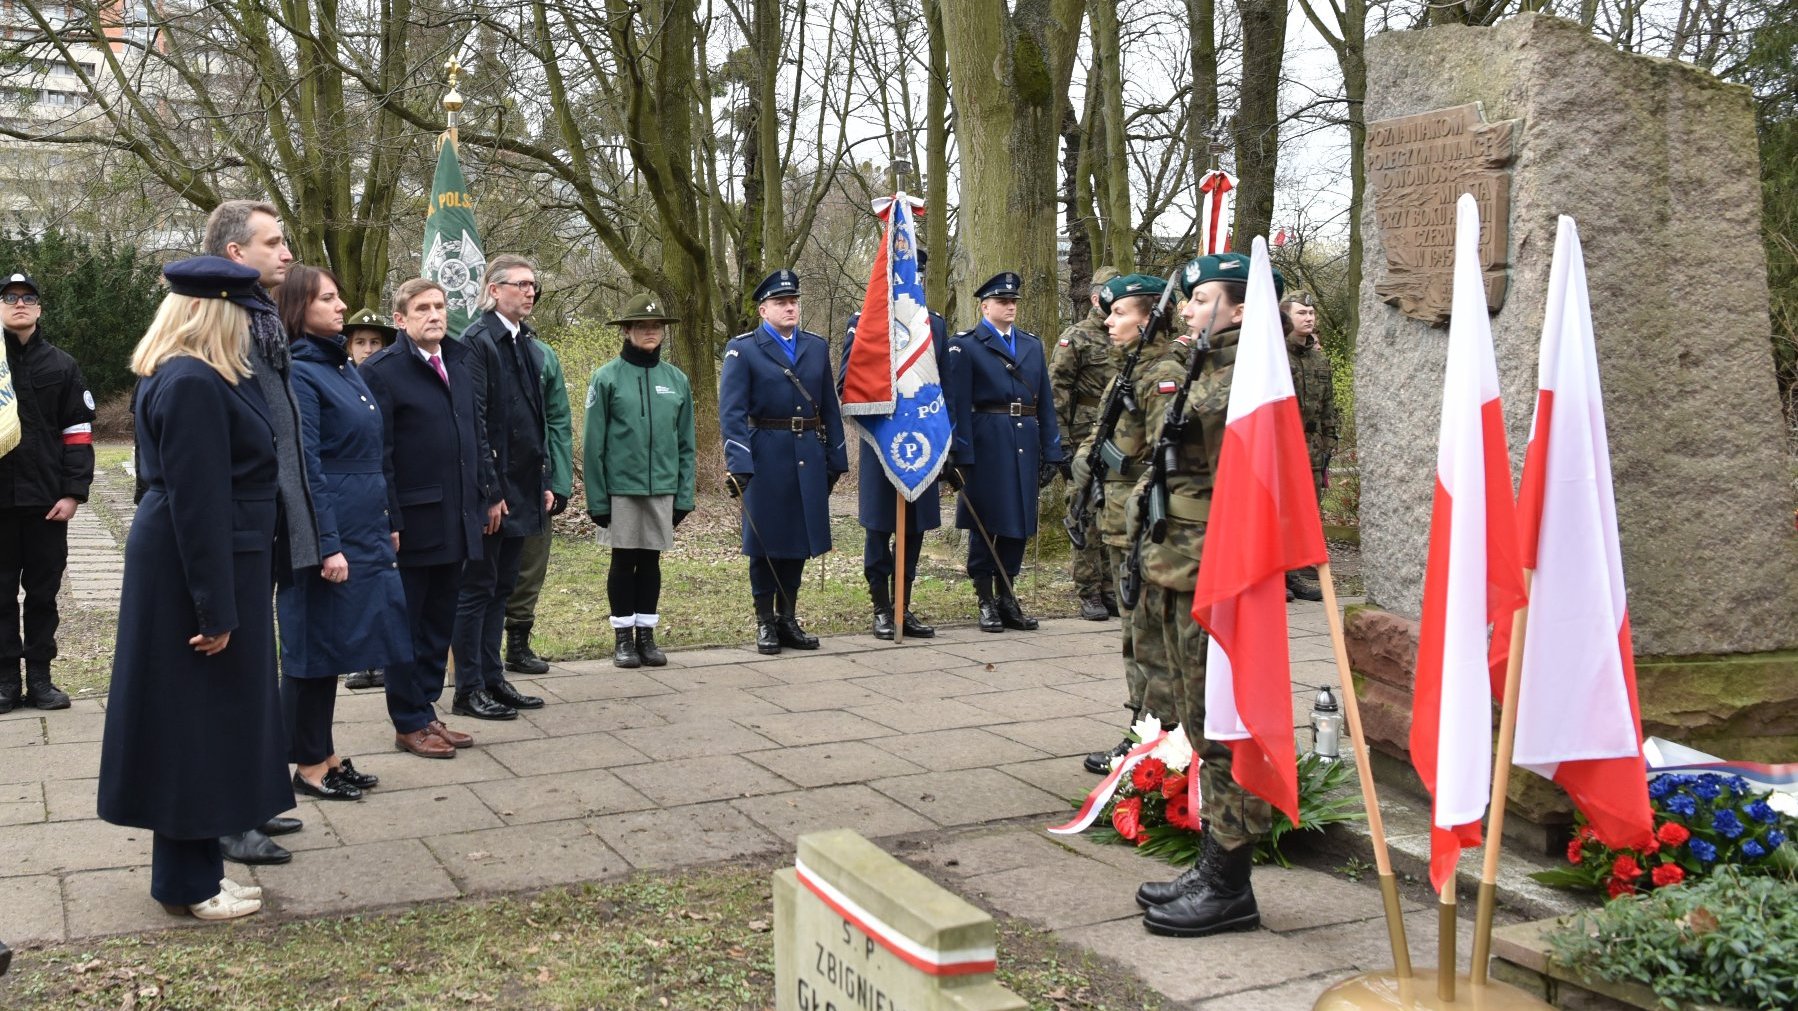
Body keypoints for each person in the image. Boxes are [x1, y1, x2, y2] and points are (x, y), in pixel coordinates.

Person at [97, 256, 294, 922]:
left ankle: (194, 870)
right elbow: (198, 502)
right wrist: (214, 607)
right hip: (193, 570)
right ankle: (190, 881)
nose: (251, 324)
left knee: (203, 721)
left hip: (206, 563)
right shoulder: (190, 381)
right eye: (244, 311)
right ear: (216, 310)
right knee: (190, 724)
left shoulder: (198, 375)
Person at [1131, 252, 1283, 938]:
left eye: (1201, 300)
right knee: (1197, 720)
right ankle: (1214, 864)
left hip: (1216, 577)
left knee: (1225, 727)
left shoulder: (1246, 379)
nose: (1188, 311)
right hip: (1176, 565)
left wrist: (1173, 362)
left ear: (1244, 309)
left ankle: (1230, 885)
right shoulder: (1200, 365)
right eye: (1187, 301)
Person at [204, 199, 318, 866]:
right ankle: (225, 814)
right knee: (231, 674)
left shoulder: (262, 322)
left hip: (267, 517)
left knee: (255, 669)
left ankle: (249, 795)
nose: (287, 253)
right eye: (274, 242)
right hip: (239, 521)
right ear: (234, 254)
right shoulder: (223, 326)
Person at [273, 265, 411, 799]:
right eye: (327, 298)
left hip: (363, 525)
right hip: (327, 530)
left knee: (335, 647)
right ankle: (307, 764)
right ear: (297, 308)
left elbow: (374, 454)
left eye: (338, 295)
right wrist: (326, 542)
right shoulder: (299, 371)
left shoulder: (341, 364)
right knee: (312, 646)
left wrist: (386, 522)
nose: (340, 305)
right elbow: (306, 466)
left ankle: (325, 753)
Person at [360, 279, 492, 759]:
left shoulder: (457, 360)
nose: (435, 314)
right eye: (422, 308)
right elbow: (380, 456)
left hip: (456, 517)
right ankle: (407, 721)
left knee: (439, 621)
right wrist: (389, 516)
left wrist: (485, 497)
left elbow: (473, 438)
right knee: (407, 625)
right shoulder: (382, 371)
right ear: (401, 319)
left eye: (440, 306)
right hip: (412, 521)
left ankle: (426, 710)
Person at [1076, 273, 1183, 775]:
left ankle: (1157, 739)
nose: (1110, 320)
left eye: (1120, 313)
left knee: (1148, 638)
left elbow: (1168, 456)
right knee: (1133, 635)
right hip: (1118, 518)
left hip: (1141, 521)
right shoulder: (1130, 368)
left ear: (1147, 319)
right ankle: (1144, 733)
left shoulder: (1160, 372)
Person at [718, 269, 848, 654]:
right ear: (763, 310)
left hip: (807, 450)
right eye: (780, 302)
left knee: (797, 539)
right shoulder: (743, 349)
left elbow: (828, 404)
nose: (789, 307)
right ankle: (764, 622)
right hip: (765, 452)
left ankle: (788, 618)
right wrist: (739, 462)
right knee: (764, 542)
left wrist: (836, 455)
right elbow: (732, 411)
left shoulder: (816, 346)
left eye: (793, 301)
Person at [450, 254, 550, 720]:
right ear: (494, 290)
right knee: (478, 588)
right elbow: (476, 424)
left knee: (502, 585)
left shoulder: (524, 341)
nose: (530, 292)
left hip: (523, 486)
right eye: (521, 285)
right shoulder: (477, 341)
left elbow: (536, 419)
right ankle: (468, 687)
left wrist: (544, 479)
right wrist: (490, 493)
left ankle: (493, 677)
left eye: (534, 286)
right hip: (493, 492)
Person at [943, 271, 1065, 632]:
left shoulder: (1031, 345)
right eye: (1002, 302)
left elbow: (1044, 402)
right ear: (985, 307)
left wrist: (1052, 450)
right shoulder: (965, 345)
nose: (1010, 306)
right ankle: (985, 599)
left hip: (1025, 442)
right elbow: (956, 404)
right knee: (985, 523)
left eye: (1013, 302)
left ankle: (1007, 595)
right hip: (986, 442)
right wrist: (959, 454)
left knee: (1018, 524)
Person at [583, 293, 696, 667]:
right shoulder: (605, 378)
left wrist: (684, 495)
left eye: (657, 327)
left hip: (662, 487)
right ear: (627, 330)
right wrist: (598, 500)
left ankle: (646, 634)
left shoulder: (676, 380)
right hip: (621, 489)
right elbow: (593, 444)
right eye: (643, 326)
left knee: (651, 562)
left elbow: (686, 443)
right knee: (623, 560)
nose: (651, 332)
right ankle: (623, 638)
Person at [0, 271, 94, 714]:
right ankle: (4, 682)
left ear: (38, 309)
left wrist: (74, 493)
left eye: (28, 298)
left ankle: (40, 679)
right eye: (10, 297)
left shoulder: (62, 365)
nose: (20, 303)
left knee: (42, 595)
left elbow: (77, 433)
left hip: (46, 503)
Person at [841, 249, 947, 640]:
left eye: (917, 273)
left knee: (914, 530)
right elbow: (845, 384)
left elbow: (944, 388)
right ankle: (881, 609)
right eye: (905, 273)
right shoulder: (865, 324)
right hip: (883, 443)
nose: (911, 278)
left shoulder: (933, 325)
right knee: (879, 528)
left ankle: (903, 605)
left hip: (922, 440)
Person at [502, 326, 574, 677]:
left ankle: (518, 640)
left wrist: (560, 480)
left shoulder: (543, 354)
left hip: (536, 476)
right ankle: (478, 651)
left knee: (531, 562)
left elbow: (559, 418)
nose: (528, 295)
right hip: (494, 473)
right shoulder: (475, 344)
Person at [1051, 266, 1121, 622]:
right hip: (1083, 439)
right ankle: (1089, 590)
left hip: (1122, 440)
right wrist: (1061, 445)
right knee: (1085, 514)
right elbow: (1057, 391)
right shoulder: (1076, 337)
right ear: (1096, 298)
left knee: (1116, 513)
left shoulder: (1128, 335)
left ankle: (1111, 587)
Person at [342, 309, 398, 692]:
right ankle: (358, 661)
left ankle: (382, 658)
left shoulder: (389, 380)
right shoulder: (341, 381)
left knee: (384, 579)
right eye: (360, 342)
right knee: (355, 579)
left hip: (388, 488)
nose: (367, 349)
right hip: (354, 492)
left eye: (375, 342)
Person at [1281, 290, 1337, 602]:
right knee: (1279, 512)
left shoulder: (1319, 359)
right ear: (1286, 317)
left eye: (1311, 312)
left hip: (1313, 447)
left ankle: (1297, 572)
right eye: (1301, 312)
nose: (1309, 317)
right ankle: (1278, 575)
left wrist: (1329, 443)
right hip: (1283, 446)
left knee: (1305, 512)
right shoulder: (1275, 355)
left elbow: (1328, 407)